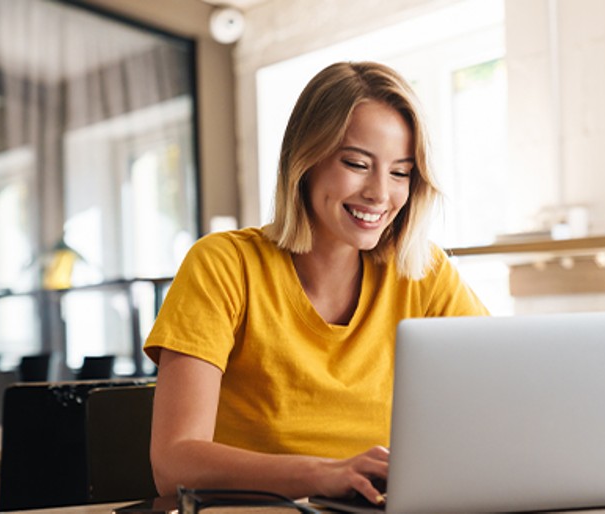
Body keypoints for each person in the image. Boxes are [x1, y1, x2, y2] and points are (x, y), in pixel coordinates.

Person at [143, 61, 488, 505]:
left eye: (400, 172)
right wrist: (324, 474)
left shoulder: (423, 272)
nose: (380, 194)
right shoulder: (224, 265)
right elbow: (173, 465)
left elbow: (500, 401)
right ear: (305, 161)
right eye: (357, 164)